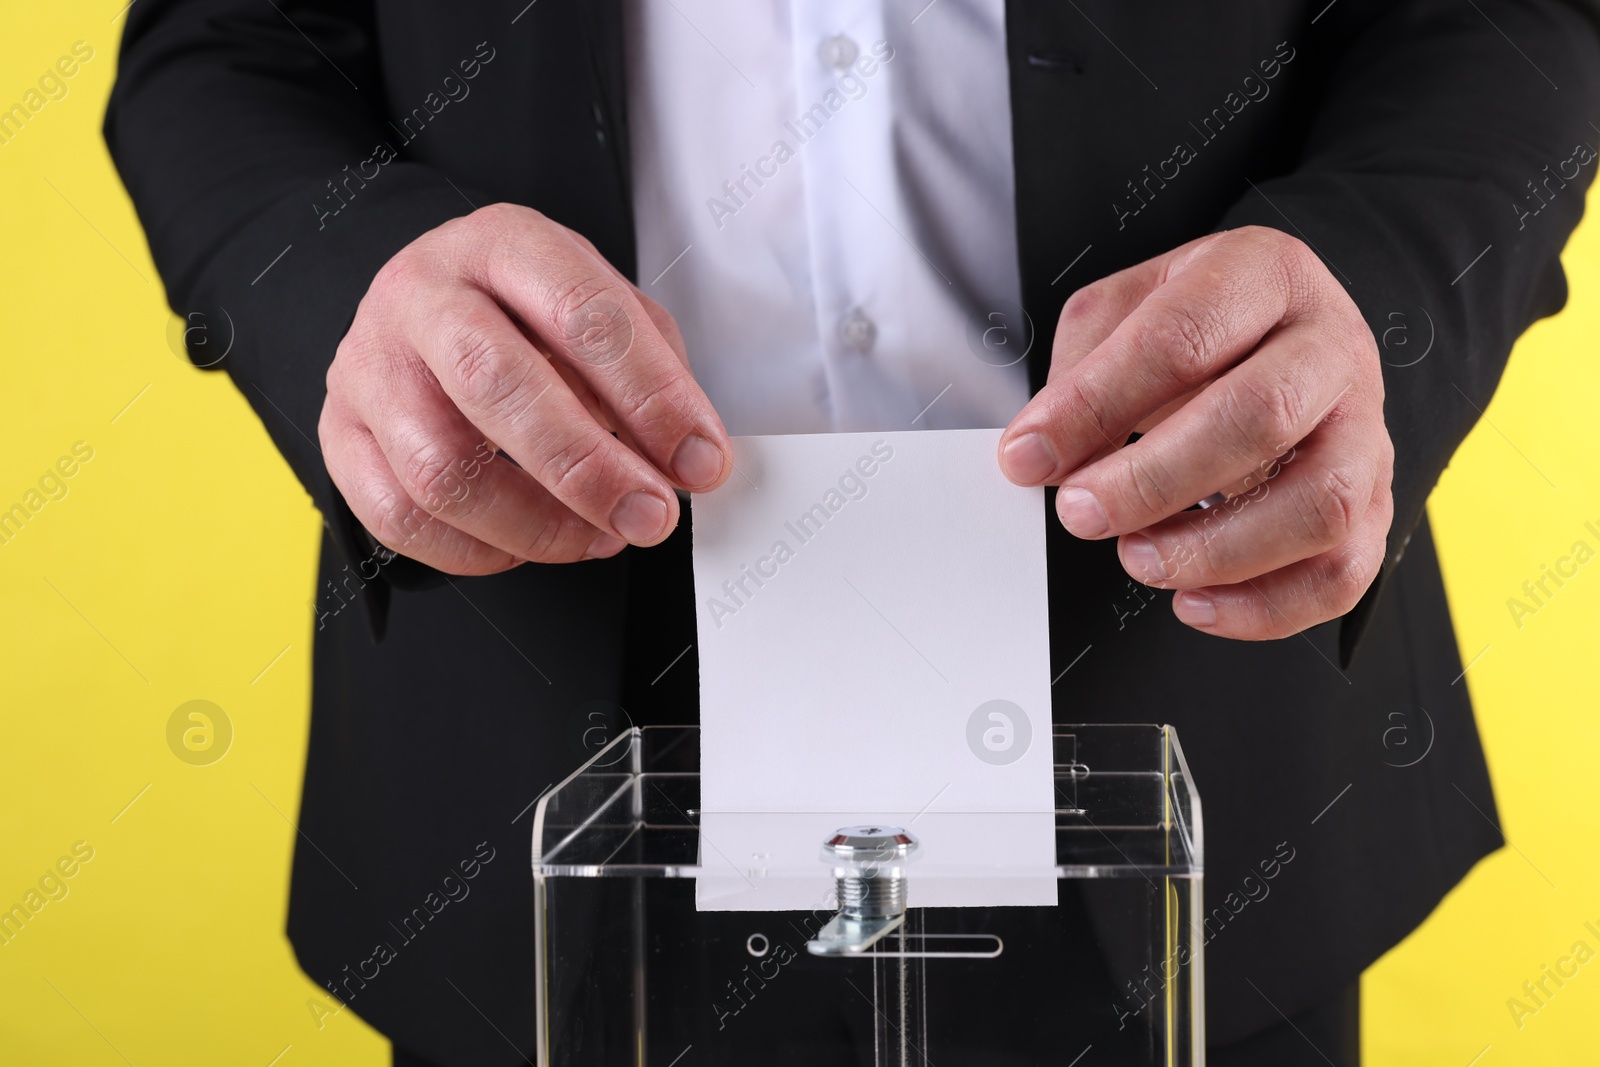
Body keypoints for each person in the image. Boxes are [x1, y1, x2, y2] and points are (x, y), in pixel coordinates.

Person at [106, 1, 1598, 1064]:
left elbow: (1491, 21)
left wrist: (1370, 310)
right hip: (540, 794)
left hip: (1198, 754)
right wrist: (346, 295)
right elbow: (224, 42)